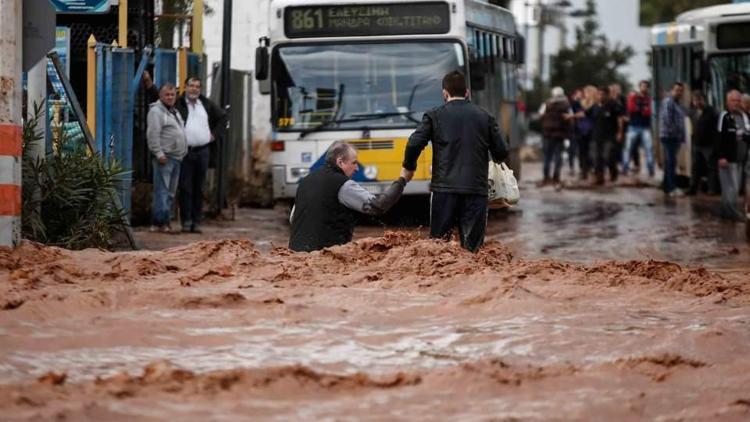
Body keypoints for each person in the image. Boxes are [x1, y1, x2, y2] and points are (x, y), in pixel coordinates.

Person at [401, 71, 509, 252]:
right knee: (473, 250)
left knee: (438, 248)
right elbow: (501, 152)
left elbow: (413, 143)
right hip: (476, 190)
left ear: (445, 93)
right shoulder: (485, 116)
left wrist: (409, 167)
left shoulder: (434, 115)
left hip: (444, 191)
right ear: (467, 92)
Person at [289, 142, 410, 252]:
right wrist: (402, 180)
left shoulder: (304, 182)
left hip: (295, 254)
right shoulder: (342, 184)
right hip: (327, 256)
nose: (357, 169)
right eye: (354, 163)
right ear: (340, 162)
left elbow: (293, 218)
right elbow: (378, 205)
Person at [175, 76, 226, 233]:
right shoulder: (178, 103)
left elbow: (223, 118)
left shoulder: (206, 104)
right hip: (186, 151)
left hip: (203, 151)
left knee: (199, 188)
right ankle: (186, 221)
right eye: (191, 85)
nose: (195, 89)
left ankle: (196, 222)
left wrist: (214, 135)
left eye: (197, 86)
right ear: (185, 87)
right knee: (185, 187)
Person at [147, 83, 187, 232]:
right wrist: (158, 153)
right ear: (161, 95)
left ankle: (165, 221)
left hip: (176, 157)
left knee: (170, 193)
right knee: (162, 191)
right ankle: (159, 222)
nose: (170, 97)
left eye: (172, 95)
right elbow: (153, 134)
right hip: (165, 157)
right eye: (167, 95)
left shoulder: (174, 111)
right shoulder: (156, 112)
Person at [716, 89, 749, 221]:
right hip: (728, 159)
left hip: (740, 158)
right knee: (731, 187)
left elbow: (746, 134)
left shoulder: (743, 117)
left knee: (734, 187)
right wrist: (721, 156)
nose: (736, 103)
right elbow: (718, 138)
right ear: (728, 101)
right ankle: (731, 212)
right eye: (733, 100)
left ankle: (727, 212)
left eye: (738, 100)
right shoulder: (724, 116)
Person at [588, 85, 624, 185]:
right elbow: (585, 114)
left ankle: (613, 172)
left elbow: (619, 119)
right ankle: (600, 178)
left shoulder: (613, 105)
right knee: (595, 157)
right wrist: (572, 116)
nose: (600, 96)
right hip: (596, 136)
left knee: (607, 156)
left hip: (609, 136)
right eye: (599, 94)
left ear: (607, 95)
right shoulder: (594, 106)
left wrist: (620, 132)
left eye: (603, 94)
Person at [539, 86, 573, 186]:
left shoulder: (547, 103)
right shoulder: (566, 105)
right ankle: (556, 177)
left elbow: (541, 116)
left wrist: (545, 125)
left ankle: (546, 177)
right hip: (560, 134)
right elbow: (570, 118)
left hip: (547, 134)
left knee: (547, 157)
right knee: (558, 156)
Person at [687, 91, 719, 195]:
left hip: (708, 145)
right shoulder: (693, 112)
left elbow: (716, 129)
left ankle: (711, 189)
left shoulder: (711, 111)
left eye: (698, 100)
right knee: (695, 167)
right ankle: (693, 188)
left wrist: (715, 144)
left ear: (703, 100)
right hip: (697, 144)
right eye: (695, 100)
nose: (696, 102)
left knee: (711, 167)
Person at [658, 82, 686, 196]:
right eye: (676, 90)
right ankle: (671, 188)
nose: (679, 92)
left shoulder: (677, 103)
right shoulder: (668, 102)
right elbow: (668, 120)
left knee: (670, 161)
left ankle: (666, 186)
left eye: (680, 90)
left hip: (674, 137)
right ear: (671, 91)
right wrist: (676, 134)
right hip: (669, 137)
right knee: (671, 162)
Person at [623, 80, 655, 177]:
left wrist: (640, 109)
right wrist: (642, 109)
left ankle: (651, 169)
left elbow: (648, 112)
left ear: (648, 88)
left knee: (649, 149)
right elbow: (631, 108)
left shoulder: (649, 99)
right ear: (639, 87)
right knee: (628, 149)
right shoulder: (633, 97)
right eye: (642, 86)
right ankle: (625, 168)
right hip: (633, 126)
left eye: (646, 86)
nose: (644, 88)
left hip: (645, 127)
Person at [571, 85, 596, 181]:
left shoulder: (595, 105)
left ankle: (591, 169)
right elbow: (573, 109)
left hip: (592, 130)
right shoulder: (579, 103)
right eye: (584, 92)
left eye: (587, 92)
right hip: (581, 130)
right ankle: (583, 170)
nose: (584, 94)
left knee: (591, 152)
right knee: (582, 152)